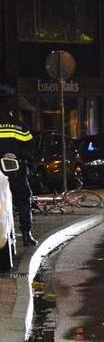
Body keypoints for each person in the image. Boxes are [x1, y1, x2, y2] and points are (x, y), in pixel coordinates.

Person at [0, 103, 37, 246]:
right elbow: (31, 147)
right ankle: (27, 236)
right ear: (10, 112)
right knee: (23, 200)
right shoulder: (19, 126)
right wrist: (21, 157)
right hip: (16, 170)